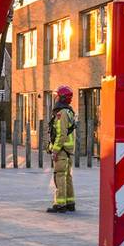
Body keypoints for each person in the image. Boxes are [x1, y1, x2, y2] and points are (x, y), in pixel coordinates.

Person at [46, 85, 77, 213]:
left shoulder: (61, 113)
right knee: (67, 176)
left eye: (57, 96)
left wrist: (55, 150)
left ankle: (60, 204)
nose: (56, 98)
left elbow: (61, 133)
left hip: (62, 150)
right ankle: (70, 202)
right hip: (68, 150)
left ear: (62, 98)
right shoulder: (69, 111)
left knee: (59, 176)